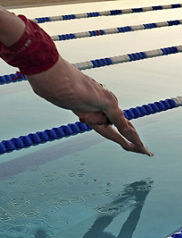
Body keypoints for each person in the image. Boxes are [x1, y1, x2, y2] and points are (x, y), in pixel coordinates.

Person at [0, 6, 152, 156]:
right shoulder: (105, 100)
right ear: (102, 113)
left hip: (24, 60)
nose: (89, 123)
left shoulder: (76, 105)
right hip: (38, 50)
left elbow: (101, 128)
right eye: (99, 122)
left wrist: (124, 144)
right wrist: (140, 146)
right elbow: (126, 128)